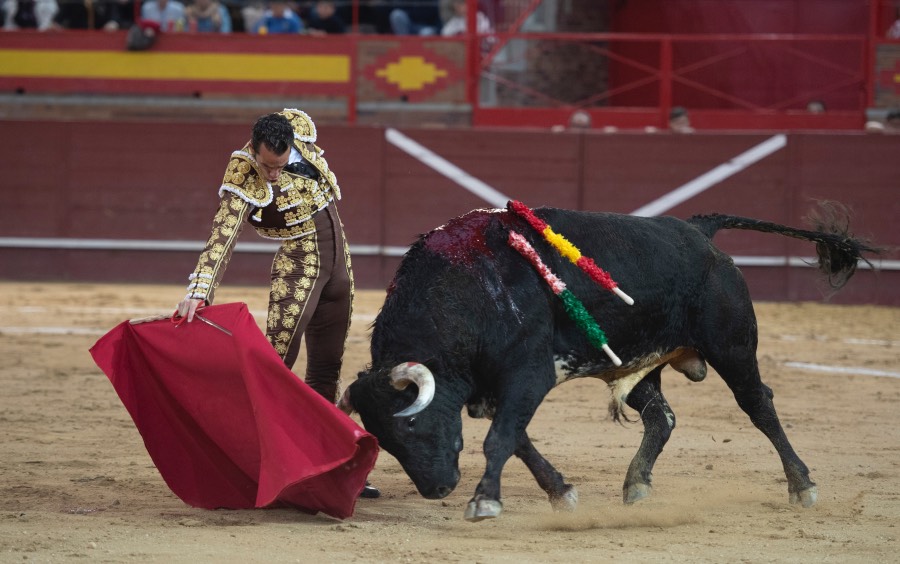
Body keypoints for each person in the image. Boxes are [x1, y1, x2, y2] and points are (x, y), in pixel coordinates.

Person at [175, 110, 379, 499]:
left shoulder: (297, 131)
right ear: (253, 149)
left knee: (326, 369)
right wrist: (200, 289)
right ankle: (258, 463)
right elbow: (223, 235)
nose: (271, 175)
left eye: (279, 167)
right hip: (298, 270)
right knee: (274, 370)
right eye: (267, 166)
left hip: (340, 268)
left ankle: (328, 466)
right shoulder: (243, 172)